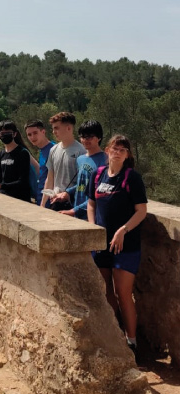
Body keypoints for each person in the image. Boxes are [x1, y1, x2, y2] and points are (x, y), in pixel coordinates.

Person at [87, 134, 147, 359]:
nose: (118, 152)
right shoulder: (98, 174)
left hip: (126, 244)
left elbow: (141, 211)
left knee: (123, 293)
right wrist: (92, 228)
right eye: (115, 148)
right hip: (101, 243)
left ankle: (131, 342)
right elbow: (91, 204)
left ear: (127, 155)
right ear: (107, 150)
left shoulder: (132, 178)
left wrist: (123, 230)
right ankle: (113, 336)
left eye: (123, 149)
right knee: (105, 293)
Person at [54, 120, 107, 219]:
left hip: (94, 215)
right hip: (78, 212)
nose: (85, 140)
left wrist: (74, 210)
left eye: (89, 137)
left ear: (99, 137)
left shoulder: (105, 161)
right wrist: (67, 193)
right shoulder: (80, 159)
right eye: (82, 137)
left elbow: (99, 194)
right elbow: (82, 184)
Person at [41, 112, 85, 209]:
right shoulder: (53, 150)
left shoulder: (81, 151)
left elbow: (84, 181)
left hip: (72, 204)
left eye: (56, 128)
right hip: (55, 202)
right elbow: (50, 178)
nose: (53, 132)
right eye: (53, 129)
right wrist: (43, 204)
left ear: (68, 128)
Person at [25, 120, 55, 205]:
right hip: (41, 198)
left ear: (43, 132)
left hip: (50, 200)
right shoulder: (42, 150)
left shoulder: (53, 149)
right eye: (29, 135)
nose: (32, 137)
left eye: (35, 133)